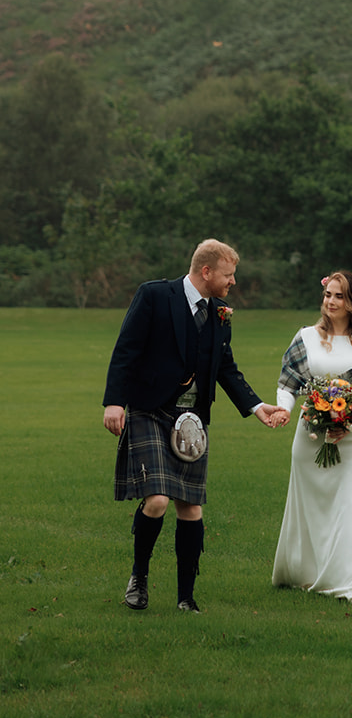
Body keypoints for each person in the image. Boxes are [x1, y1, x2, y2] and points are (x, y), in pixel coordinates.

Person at [102, 238, 285, 612]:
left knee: (190, 507)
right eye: (228, 274)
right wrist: (114, 401)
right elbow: (127, 349)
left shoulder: (220, 312)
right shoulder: (154, 295)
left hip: (192, 420)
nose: (232, 281)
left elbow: (226, 368)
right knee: (156, 499)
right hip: (150, 410)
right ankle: (139, 578)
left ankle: (186, 596)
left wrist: (255, 406)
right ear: (206, 271)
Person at [271, 271, 352, 606]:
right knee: (318, 509)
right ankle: (309, 570)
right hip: (311, 436)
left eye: (339, 296)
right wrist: (284, 410)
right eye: (328, 295)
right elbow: (288, 384)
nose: (331, 302)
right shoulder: (306, 337)